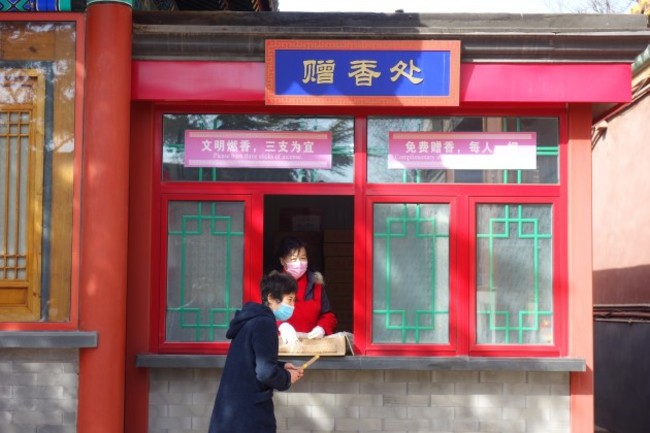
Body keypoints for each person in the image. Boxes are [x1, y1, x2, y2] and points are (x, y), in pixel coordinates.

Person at [208, 272, 304, 433]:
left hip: (231, 413)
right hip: (249, 416)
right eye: (289, 300)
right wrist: (287, 377)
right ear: (272, 298)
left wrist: (282, 365)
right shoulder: (265, 323)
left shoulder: (250, 320)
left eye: (294, 300)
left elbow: (251, 359)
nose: (292, 306)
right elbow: (265, 372)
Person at [274, 236, 337, 345]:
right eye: (293, 259)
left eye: (303, 258)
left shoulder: (316, 284)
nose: (299, 263)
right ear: (282, 261)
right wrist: (281, 326)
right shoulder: (273, 285)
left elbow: (328, 315)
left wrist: (322, 328)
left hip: (311, 346)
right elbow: (263, 316)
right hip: (280, 348)